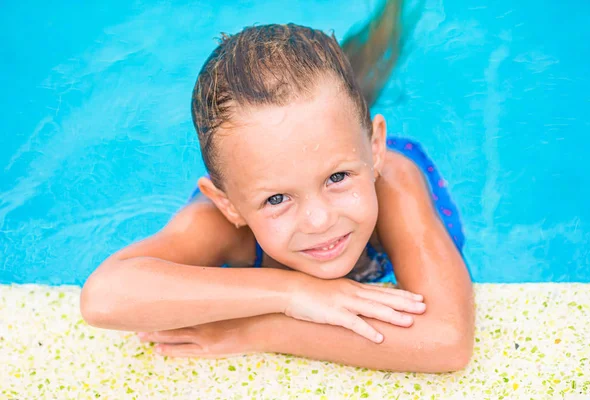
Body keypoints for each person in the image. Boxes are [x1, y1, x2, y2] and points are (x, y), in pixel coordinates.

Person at [80, 7, 474, 373]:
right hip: (313, 150)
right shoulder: (220, 224)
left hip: (365, 149)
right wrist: (291, 293)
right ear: (228, 204)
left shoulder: (394, 184)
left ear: (375, 149)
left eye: (337, 178)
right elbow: (104, 296)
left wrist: (260, 330)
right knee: (337, 110)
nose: (320, 220)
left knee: (370, 62)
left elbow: (448, 340)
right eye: (276, 199)